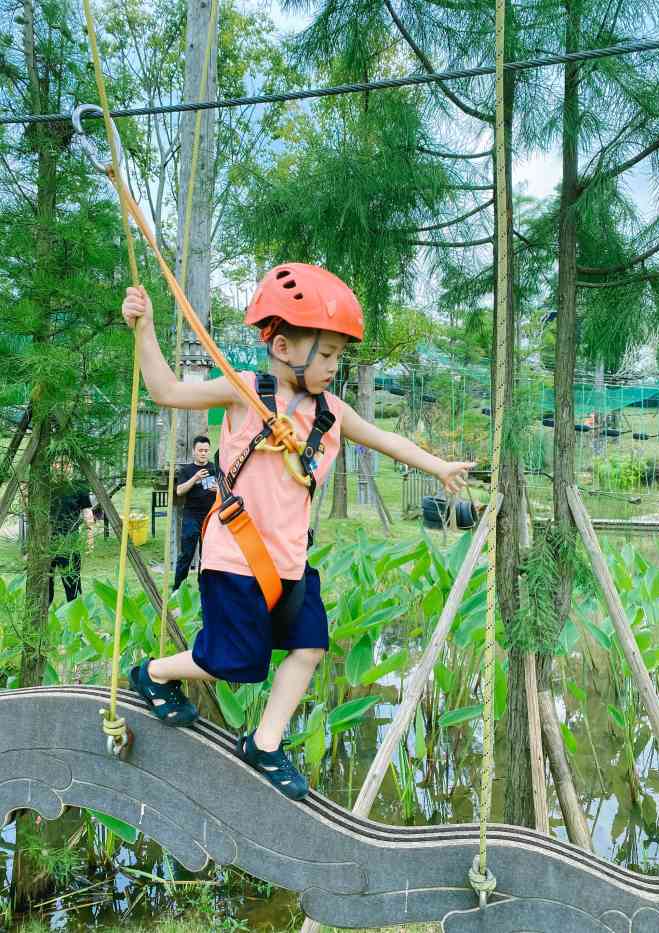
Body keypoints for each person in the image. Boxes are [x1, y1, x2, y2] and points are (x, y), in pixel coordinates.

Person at [121, 263, 474, 800]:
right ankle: (154, 673)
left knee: (309, 646)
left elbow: (383, 439)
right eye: (327, 354)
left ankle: (264, 743)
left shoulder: (332, 413)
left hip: (289, 561)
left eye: (339, 355)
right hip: (236, 557)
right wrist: (144, 328)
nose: (335, 366)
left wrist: (438, 467)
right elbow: (166, 390)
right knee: (232, 663)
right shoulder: (243, 392)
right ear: (283, 345)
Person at [173, 435, 217, 591]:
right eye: (200, 450)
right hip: (191, 515)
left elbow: (227, 492)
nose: (203, 453)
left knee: (206, 555)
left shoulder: (215, 468)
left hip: (210, 516)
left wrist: (218, 490)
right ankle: (177, 588)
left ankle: (202, 588)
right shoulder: (186, 470)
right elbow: (179, 491)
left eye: (206, 450)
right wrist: (195, 478)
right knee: (187, 553)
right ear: (194, 451)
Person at [49, 461, 95, 605]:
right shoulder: (45, 487)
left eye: (66, 463)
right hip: (45, 541)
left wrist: (90, 539)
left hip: (70, 542)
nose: (62, 466)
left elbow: (87, 514)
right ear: (52, 465)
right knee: (44, 587)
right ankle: (41, 624)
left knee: (72, 586)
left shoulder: (80, 487)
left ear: (72, 466)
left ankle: (76, 624)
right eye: (57, 462)